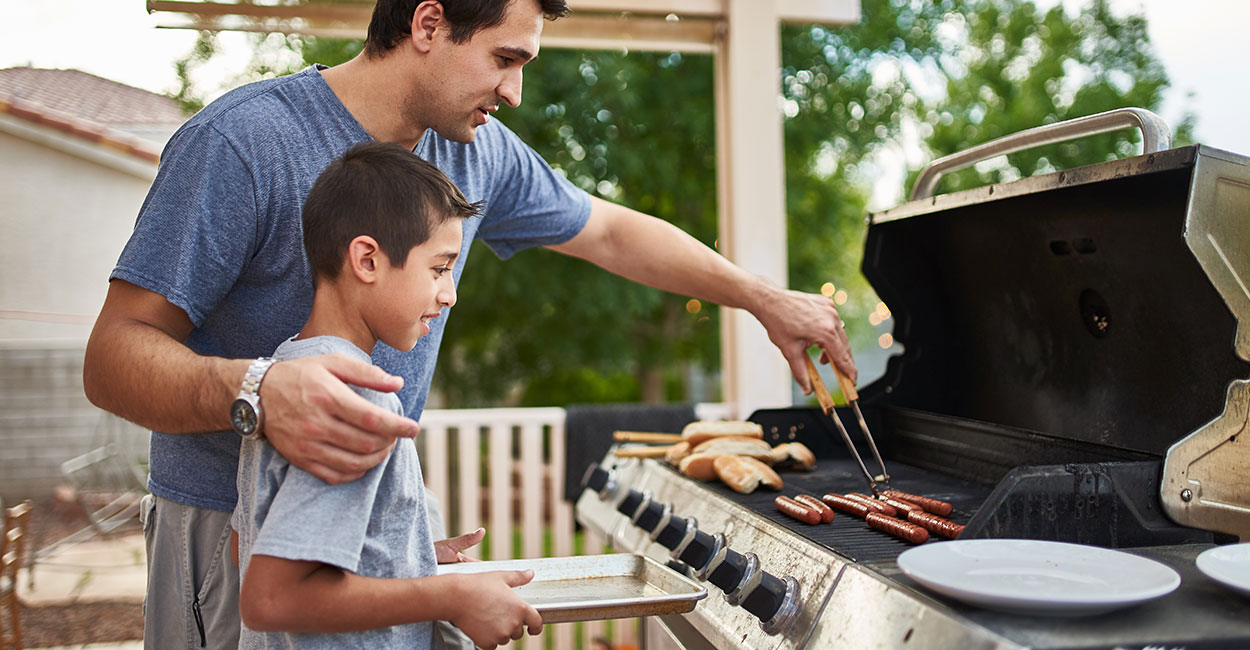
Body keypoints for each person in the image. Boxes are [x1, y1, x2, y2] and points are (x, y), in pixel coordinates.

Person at [82, 0, 857, 648]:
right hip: (226, 535)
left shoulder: (477, 153)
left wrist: (765, 298)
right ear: (427, 24)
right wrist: (262, 390)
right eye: (504, 59)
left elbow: (612, 233)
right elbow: (112, 357)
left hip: (360, 546)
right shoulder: (245, 142)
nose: (514, 91)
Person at [233, 140, 541, 650]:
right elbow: (272, 598)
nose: (450, 293)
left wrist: (405, 555)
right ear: (368, 260)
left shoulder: (287, 374)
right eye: (440, 269)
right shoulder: (357, 397)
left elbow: (249, 545)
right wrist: (449, 598)